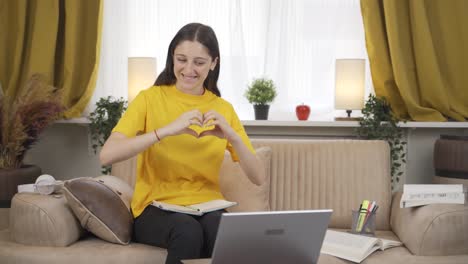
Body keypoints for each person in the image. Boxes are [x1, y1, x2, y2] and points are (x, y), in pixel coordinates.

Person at [100, 22, 264, 264]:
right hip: (154, 208)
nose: (189, 69)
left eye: (199, 62)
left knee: (223, 232)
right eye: (181, 59)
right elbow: (107, 155)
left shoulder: (223, 109)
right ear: (172, 59)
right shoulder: (149, 98)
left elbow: (258, 177)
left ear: (213, 64)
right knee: (187, 231)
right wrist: (166, 131)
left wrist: (233, 137)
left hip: (207, 206)